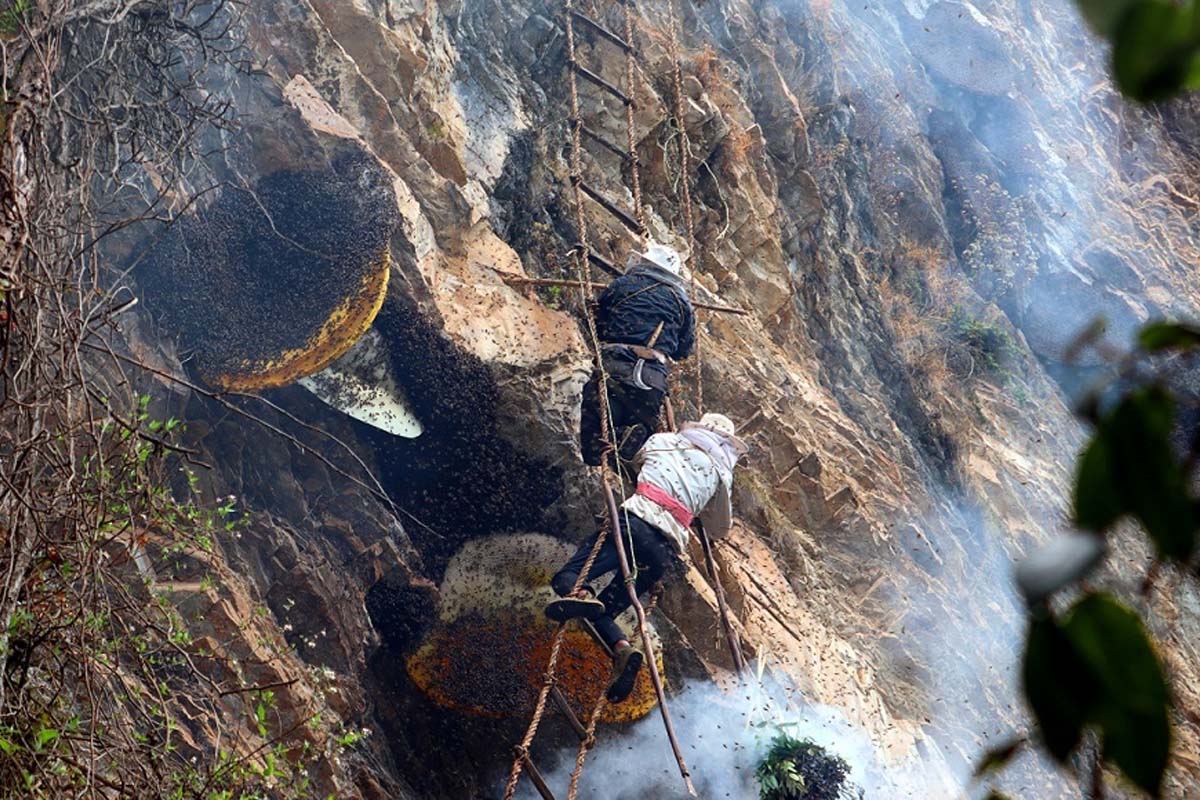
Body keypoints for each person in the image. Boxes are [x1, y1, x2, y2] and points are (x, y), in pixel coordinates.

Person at [547, 413, 747, 703]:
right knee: (602, 612)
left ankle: (584, 592)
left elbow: (636, 463)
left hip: (635, 523)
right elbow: (718, 528)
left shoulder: (664, 441)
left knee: (567, 578)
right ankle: (622, 649)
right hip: (664, 552)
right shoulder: (721, 475)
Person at [580, 242, 695, 472]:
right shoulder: (683, 303)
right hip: (652, 375)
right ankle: (630, 437)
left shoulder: (623, 284)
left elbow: (598, 325)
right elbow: (683, 350)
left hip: (616, 363)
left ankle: (600, 448)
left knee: (596, 425)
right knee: (640, 420)